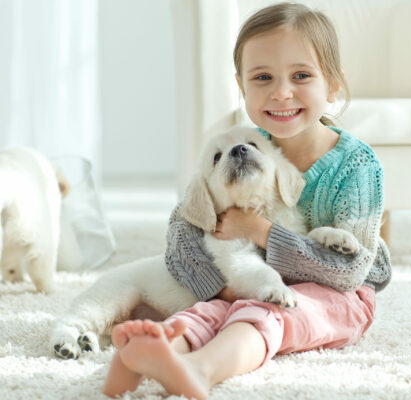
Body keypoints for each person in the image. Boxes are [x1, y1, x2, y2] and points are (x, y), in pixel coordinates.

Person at [103, 3, 391, 399]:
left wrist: (260, 231)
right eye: (263, 77)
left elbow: (353, 270)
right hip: (256, 283)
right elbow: (183, 229)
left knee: (264, 316)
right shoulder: (244, 146)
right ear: (242, 87)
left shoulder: (356, 165)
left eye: (302, 75)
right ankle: (154, 354)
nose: (281, 92)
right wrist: (220, 290)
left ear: (334, 86)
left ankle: (201, 368)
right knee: (210, 312)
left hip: (340, 296)